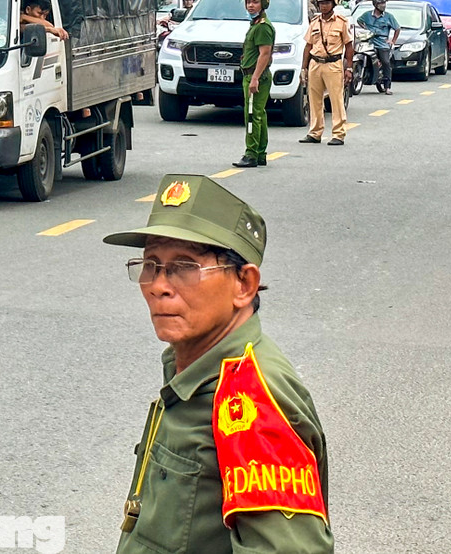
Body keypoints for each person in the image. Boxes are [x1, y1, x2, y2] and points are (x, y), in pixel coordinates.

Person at [103, 174, 334, 554]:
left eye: (184, 266)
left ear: (244, 285)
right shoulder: (193, 367)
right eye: (151, 264)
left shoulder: (250, 402)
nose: (159, 284)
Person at [299, 0, 354, 147]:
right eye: (321, 3)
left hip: (333, 64)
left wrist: (348, 68)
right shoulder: (314, 22)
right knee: (314, 99)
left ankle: (338, 133)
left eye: (327, 3)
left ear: (333, 4)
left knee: (336, 99)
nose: (323, 6)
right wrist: (304, 68)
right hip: (315, 64)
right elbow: (308, 46)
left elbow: (349, 47)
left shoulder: (341, 22)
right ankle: (315, 132)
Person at [231, 0, 275, 169]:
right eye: (248, 1)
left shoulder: (263, 26)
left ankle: (251, 154)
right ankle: (260, 153)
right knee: (259, 114)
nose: (250, 5)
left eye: (255, 2)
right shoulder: (256, 24)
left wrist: (255, 78)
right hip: (251, 74)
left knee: (251, 115)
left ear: (263, 4)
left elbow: (265, 54)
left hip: (256, 76)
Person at [356, 0, 400, 95]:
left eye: (384, 3)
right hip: (369, 41)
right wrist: (365, 29)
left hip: (382, 43)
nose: (383, 5)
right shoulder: (367, 15)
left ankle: (387, 86)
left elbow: (397, 28)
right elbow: (359, 21)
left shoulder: (389, 16)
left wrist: (392, 41)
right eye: (381, 3)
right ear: (375, 4)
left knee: (385, 62)